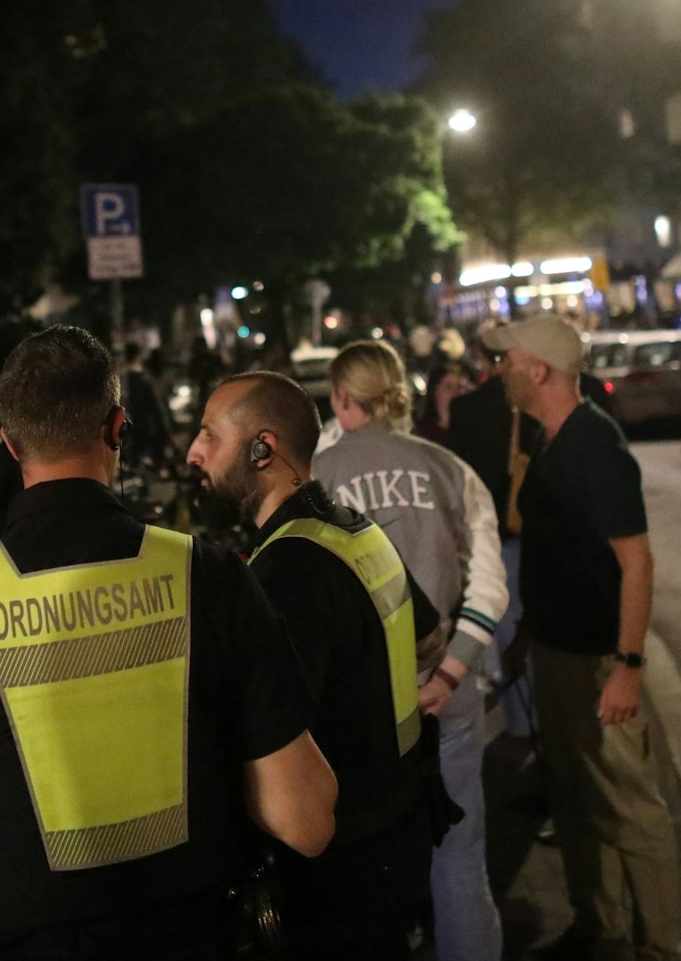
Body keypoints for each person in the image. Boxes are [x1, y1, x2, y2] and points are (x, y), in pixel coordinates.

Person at [0, 325, 337, 958]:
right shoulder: (210, 576)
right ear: (117, 428)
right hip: (195, 934)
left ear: (11, 442)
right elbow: (308, 820)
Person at [188, 371, 441, 958]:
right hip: (398, 830)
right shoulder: (355, 529)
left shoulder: (288, 572)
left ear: (263, 449)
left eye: (209, 436)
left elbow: (275, 744)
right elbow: (428, 638)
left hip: (338, 871)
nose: (193, 452)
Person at [487, 315, 681, 961]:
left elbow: (636, 561)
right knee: (576, 800)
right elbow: (560, 555)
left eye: (507, 359)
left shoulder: (594, 447)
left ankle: (659, 946)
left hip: (597, 662)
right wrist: (530, 635)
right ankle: (602, 928)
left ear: (538, 370)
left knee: (629, 810)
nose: (499, 369)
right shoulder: (553, 438)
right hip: (558, 652)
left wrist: (628, 663)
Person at [310, 340, 507, 961]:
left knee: (367, 864)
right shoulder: (451, 469)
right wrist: (449, 676)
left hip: (364, 708)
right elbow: (490, 588)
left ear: (341, 399)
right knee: (460, 858)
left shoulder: (317, 482)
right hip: (444, 690)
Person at [448, 343, 545, 739]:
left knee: (506, 628)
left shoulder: (467, 410)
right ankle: (545, 725)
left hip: (494, 534)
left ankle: (524, 728)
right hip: (539, 533)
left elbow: (462, 482)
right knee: (537, 630)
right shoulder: (535, 405)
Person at [121, 341, 177, 468]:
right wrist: (167, 431)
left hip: (128, 428)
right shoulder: (143, 379)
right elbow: (157, 407)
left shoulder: (121, 378)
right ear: (138, 356)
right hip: (145, 428)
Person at [413, 365, 471, 447]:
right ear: (434, 391)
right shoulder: (420, 432)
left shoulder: (468, 435)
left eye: (459, 387)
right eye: (448, 387)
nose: (455, 393)